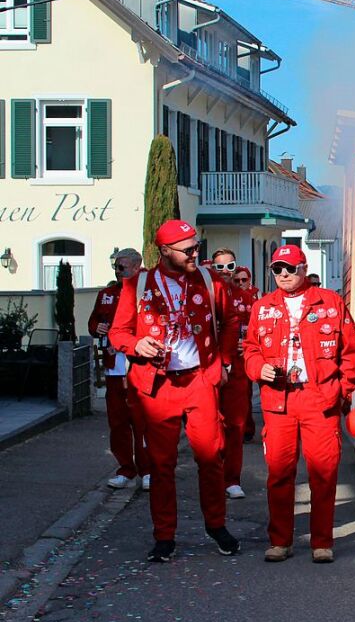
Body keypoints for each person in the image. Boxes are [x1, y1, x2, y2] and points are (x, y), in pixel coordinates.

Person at [109, 220, 240, 563]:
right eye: (189, 249)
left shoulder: (211, 280)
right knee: (160, 464)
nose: (197, 253)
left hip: (200, 380)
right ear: (166, 251)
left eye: (198, 246)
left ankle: (217, 525)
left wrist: (224, 364)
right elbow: (117, 333)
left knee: (211, 458)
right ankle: (164, 536)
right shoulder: (137, 286)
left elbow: (230, 324)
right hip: (158, 384)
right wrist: (138, 345)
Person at [244, 246, 355, 563]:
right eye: (277, 269)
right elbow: (251, 349)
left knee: (323, 473)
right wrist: (258, 368)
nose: (283, 275)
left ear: (304, 268)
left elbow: (350, 353)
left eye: (290, 268)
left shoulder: (331, 302)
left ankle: (322, 542)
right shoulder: (262, 307)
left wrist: (342, 392)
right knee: (279, 473)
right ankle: (280, 540)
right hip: (278, 399)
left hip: (318, 397)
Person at [88, 248, 150, 491]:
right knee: (118, 422)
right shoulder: (107, 293)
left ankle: (147, 470)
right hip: (114, 368)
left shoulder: (147, 291)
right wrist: (97, 328)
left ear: (136, 267)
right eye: (116, 266)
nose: (117, 271)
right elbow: (94, 321)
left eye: (122, 267)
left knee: (143, 424)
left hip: (139, 367)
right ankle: (126, 469)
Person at [211, 248, 254, 500]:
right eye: (219, 267)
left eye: (230, 266)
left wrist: (246, 342)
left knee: (235, 426)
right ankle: (213, 475)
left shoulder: (246, 299)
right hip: (208, 370)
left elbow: (259, 333)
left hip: (236, 371)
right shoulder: (201, 295)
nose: (225, 272)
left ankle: (232, 479)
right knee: (210, 427)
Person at [232, 266, 261, 441]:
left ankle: (247, 428)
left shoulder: (258, 298)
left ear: (250, 280)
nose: (241, 283)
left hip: (251, 348)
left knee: (246, 392)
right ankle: (243, 429)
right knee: (240, 393)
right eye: (237, 280)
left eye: (244, 280)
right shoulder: (228, 296)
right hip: (234, 349)